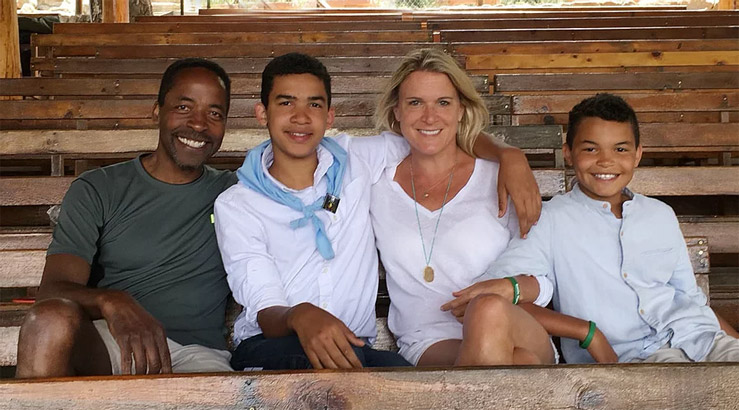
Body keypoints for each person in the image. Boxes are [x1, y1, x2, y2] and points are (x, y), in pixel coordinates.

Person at [214, 52, 541, 371]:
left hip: (356, 349)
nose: (301, 117)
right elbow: (264, 305)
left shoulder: (357, 161)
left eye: (314, 104)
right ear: (262, 113)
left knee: (399, 379)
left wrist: (508, 155)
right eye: (286, 103)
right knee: (342, 371)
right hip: (272, 345)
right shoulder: (238, 205)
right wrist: (298, 315)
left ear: (329, 117)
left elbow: (436, 136)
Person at [370, 48, 617, 367]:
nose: (430, 116)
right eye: (415, 102)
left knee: (486, 309)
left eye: (443, 102)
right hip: (430, 340)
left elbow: (543, 282)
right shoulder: (375, 183)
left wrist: (506, 288)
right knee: (521, 365)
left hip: (515, 323)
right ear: (397, 111)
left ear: (461, 110)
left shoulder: (499, 178)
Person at [15, 58, 237, 378]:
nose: (199, 124)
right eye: (184, 107)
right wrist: (111, 301)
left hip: (196, 356)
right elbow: (52, 290)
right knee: (48, 320)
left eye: (214, 113)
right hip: (111, 344)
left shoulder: (235, 194)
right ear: (157, 111)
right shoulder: (99, 188)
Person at [491, 93, 739, 363]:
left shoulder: (660, 214)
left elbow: (691, 299)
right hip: (629, 359)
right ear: (568, 153)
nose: (606, 160)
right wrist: (588, 334)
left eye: (620, 149)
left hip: (702, 340)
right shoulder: (550, 220)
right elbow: (500, 300)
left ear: (637, 155)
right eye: (590, 149)